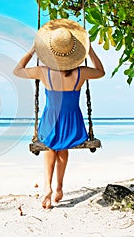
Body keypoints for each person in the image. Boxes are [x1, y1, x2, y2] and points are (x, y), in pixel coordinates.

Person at [13, 19, 105, 209]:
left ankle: (47, 186)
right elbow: (101, 72)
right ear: (73, 52)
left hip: (50, 120)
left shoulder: (42, 71)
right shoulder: (82, 72)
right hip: (73, 123)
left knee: (50, 145)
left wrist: (32, 50)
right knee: (62, 147)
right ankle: (59, 187)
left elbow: (17, 71)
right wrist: (90, 50)